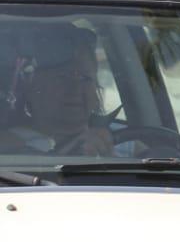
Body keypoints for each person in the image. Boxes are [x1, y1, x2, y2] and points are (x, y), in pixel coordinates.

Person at [0, 24, 113, 156]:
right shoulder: (7, 148)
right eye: (63, 77)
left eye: (85, 78)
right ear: (30, 85)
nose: (75, 87)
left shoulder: (125, 143)